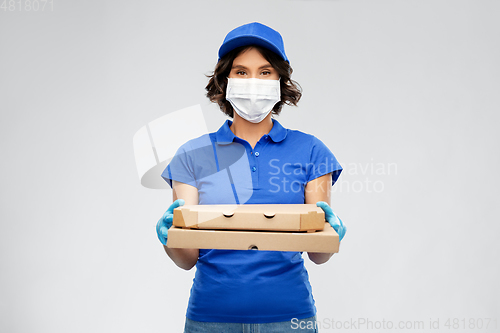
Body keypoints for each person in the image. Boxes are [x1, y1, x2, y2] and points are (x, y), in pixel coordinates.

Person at [156, 22, 346, 333]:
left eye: (265, 72)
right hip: (211, 320)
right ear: (225, 80)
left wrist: (331, 233)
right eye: (241, 71)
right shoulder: (192, 155)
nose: (253, 81)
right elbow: (186, 258)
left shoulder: (312, 152)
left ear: (280, 79)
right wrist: (169, 237)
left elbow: (318, 254)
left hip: (289, 319)